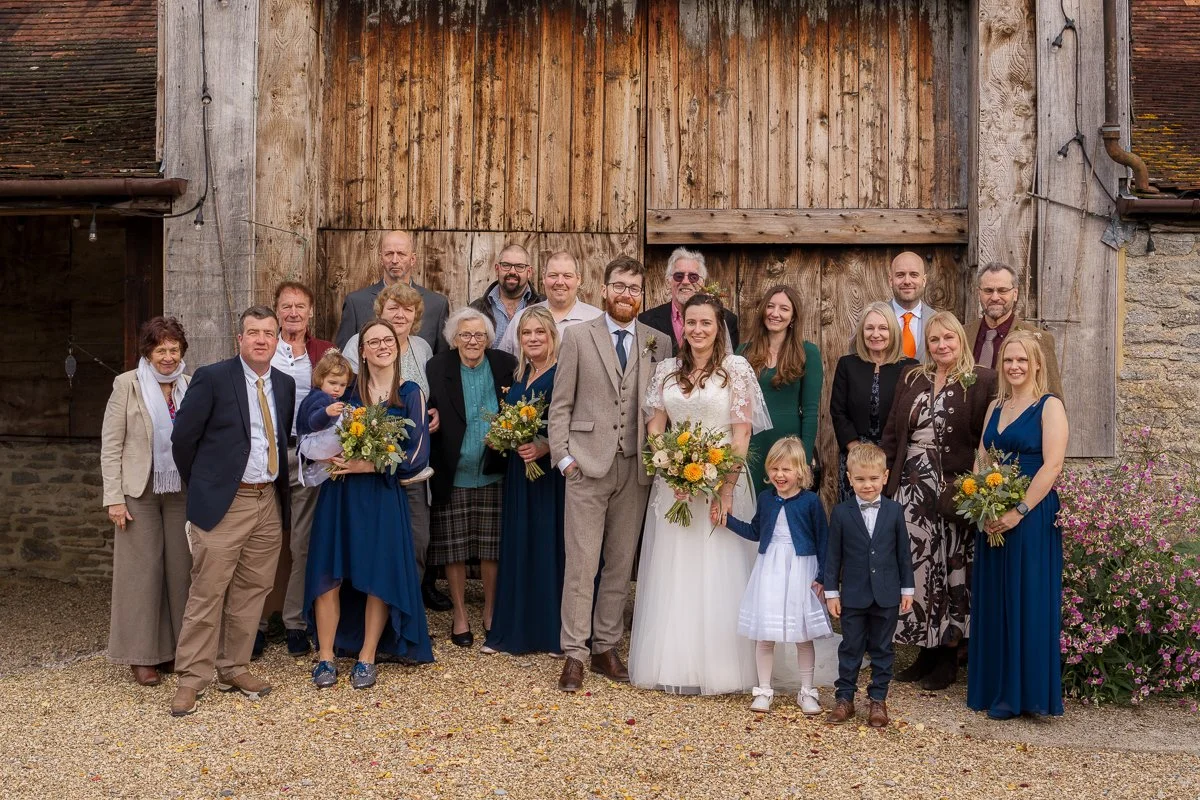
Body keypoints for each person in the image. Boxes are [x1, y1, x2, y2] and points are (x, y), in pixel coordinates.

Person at [627, 292, 770, 696]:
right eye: (691, 323)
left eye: (706, 322)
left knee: (721, 567)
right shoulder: (666, 370)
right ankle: (675, 661)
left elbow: (741, 435)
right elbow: (656, 426)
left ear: (719, 326)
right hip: (674, 484)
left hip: (722, 479)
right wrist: (668, 465)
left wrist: (725, 488)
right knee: (674, 569)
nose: (698, 330)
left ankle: (726, 667)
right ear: (682, 326)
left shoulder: (736, 370)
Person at [168, 306, 295, 717]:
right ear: (238, 339)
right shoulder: (213, 377)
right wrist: (207, 486)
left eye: (269, 333)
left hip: (267, 502)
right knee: (207, 591)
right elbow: (183, 440)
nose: (261, 339)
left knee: (252, 590)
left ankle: (234, 667)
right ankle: (191, 677)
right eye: (253, 332)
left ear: (278, 340)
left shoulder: (286, 384)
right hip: (226, 502)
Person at [548, 255, 666, 692]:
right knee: (581, 563)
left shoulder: (659, 343)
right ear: (603, 289)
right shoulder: (578, 337)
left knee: (619, 564)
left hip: (636, 469)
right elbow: (560, 405)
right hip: (586, 466)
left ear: (642, 295)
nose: (626, 295)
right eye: (619, 286)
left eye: (634, 289)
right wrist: (563, 458)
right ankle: (574, 653)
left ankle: (604, 646)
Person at [305, 319, 434, 690]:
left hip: (381, 494)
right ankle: (326, 656)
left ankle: (367, 656)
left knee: (378, 573)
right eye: (372, 341)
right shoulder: (344, 394)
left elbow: (417, 456)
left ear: (398, 346)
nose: (381, 346)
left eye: (387, 340)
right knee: (330, 571)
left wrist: (368, 463)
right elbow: (315, 431)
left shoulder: (410, 393)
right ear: (361, 350)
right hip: (340, 493)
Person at [881, 311, 996, 692]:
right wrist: (885, 480)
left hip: (951, 488)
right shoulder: (912, 377)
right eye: (934, 340)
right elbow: (893, 432)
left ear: (960, 339)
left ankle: (948, 653)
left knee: (951, 568)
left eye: (949, 338)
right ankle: (924, 650)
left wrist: (979, 488)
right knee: (916, 568)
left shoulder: (981, 379)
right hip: (911, 485)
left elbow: (987, 439)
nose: (942, 345)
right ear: (926, 345)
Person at [968, 332, 1068, 719]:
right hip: (992, 512)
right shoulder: (995, 405)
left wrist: (1018, 511)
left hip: (1031, 514)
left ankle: (1024, 695)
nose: (1014, 367)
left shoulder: (1049, 406)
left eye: (1023, 361)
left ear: (1037, 364)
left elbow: (1052, 466)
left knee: (1026, 598)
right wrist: (982, 503)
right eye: (1009, 360)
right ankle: (993, 687)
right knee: (995, 598)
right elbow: (981, 457)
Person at [101, 316, 193, 687]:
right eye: (161, 350)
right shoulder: (127, 385)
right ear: (148, 353)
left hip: (180, 491)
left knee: (180, 571)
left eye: (174, 350)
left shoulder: (190, 385)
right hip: (138, 491)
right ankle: (142, 656)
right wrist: (114, 498)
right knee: (141, 574)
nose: (168, 357)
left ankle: (174, 651)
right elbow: (111, 444)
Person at [342, 282, 443, 610]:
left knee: (415, 545)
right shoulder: (357, 346)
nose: (400, 314)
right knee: (376, 550)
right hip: (371, 471)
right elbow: (348, 399)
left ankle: (406, 620)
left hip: (413, 469)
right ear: (379, 313)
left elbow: (424, 395)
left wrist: (432, 413)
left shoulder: (423, 349)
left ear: (415, 316)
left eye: (407, 309)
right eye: (393, 308)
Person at [425, 308, 518, 647]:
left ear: (489, 339)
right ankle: (460, 614)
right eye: (465, 335)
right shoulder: (438, 366)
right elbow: (427, 403)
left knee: (492, 549)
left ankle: (491, 612)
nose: (473, 341)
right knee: (455, 548)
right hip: (455, 469)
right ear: (454, 339)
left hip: (494, 468)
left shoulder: (505, 364)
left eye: (479, 335)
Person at [724, 437, 832, 715]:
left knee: (802, 634)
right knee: (765, 634)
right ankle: (763, 690)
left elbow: (824, 541)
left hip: (801, 569)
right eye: (774, 469)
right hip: (770, 568)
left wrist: (823, 576)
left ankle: (807, 692)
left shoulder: (810, 502)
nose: (780, 475)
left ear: (801, 472)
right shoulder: (766, 499)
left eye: (787, 470)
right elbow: (756, 532)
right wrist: (727, 521)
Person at [482, 307, 565, 656]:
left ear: (552, 336)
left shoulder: (561, 372)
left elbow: (570, 419)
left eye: (540, 333)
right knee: (519, 544)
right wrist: (503, 436)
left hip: (548, 475)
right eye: (527, 333)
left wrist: (545, 446)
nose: (533, 338)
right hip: (520, 472)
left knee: (547, 546)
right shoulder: (521, 374)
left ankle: (549, 634)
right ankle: (512, 631)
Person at [258, 281, 334, 659]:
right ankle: (254, 623)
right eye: (286, 306)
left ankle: (294, 622)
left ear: (310, 312)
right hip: (265, 454)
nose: (293, 313)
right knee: (261, 541)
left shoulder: (323, 352)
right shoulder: (263, 349)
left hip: (306, 455)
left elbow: (340, 396)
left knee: (301, 542)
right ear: (276, 311)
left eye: (299, 307)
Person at [824, 443, 915, 728]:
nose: (867, 485)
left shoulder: (894, 511)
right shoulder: (840, 513)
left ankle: (878, 699)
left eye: (873, 479)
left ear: (885, 477)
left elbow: (903, 552)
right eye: (860, 479)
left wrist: (907, 589)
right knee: (850, 647)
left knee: (883, 648)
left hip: (887, 594)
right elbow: (833, 556)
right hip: (852, 594)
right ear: (849, 478)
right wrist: (832, 592)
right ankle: (845, 699)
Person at [830, 302, 919, 500]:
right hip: (854, 455)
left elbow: (909, 415)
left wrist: (885, 454)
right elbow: (838, 411)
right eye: (869, 328)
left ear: (893, 331)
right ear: (862, 332)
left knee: (887, 518)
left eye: (883, 328)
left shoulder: (910, 367)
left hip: (894, 456)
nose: (875, 334)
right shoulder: (847, 364)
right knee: (855, 517)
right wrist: (857, 451)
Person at [737, 285, 822, 490]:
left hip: (786, 448)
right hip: (750, 445)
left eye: (784, 309)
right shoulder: (743, 353)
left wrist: (804, 457)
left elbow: (810, 411)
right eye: (770, 306)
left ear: (793, 317)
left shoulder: (807, 353)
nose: (775, 313)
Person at [335, 230, 450, 353]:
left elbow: (442, 362)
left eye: (401, 254)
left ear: (412, 259)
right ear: (381, 258)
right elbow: (343, 362)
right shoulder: (356, 303)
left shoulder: (437, 305)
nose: (395, 260)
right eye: (389, 254)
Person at [965, 261, 1064, 398]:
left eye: (1002, 290)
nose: (995, 297)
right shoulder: (961, 335)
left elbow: (1054, 396)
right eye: (988, 290)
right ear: (979, 293)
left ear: (1015, 293)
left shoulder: (1039, 339)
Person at [496, 250, 603, 355]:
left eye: (567, 276)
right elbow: (503, 366)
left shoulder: (597, 320)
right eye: (553, 275)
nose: (560, 282)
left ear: (578, 279)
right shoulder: (520, 319)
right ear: (544, 278)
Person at [638, 247, 740, 350]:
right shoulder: (646, 320)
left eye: (693, 277)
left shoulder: (727, 320)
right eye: (679, 276)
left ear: (702, 282)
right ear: (668, 281)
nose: (685, 282)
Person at [294, 349, 353, 487]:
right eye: (333, 383)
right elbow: (313, 422)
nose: (337, 389)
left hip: (313, 447)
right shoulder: (320, 397)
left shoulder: (327, 396)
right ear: (320, 379)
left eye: (342, 385)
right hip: (311, 443)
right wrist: (326, 412)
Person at [468, 243, 545, 344]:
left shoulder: (544, 305)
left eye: (520, 266)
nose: (512, 271)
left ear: (529, 272)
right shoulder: (476, 309)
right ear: (497, 269)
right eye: (506, 265)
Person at [886, 251, 936, 361]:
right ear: (891, 280)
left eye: (914, 275)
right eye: (900, 275)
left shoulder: (937, 320)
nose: (907, 281)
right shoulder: (873, 319)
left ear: (923, 281)